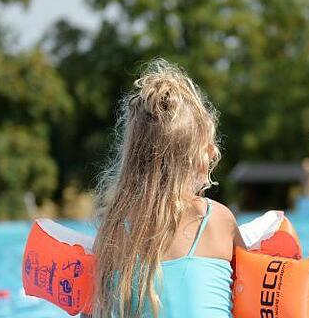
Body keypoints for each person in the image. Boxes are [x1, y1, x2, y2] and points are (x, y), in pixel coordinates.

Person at [91, 60, 243, 318]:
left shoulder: (113, 227)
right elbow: (252, 295)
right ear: (200, 156)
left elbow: (94, 309)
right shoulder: (216, 220)